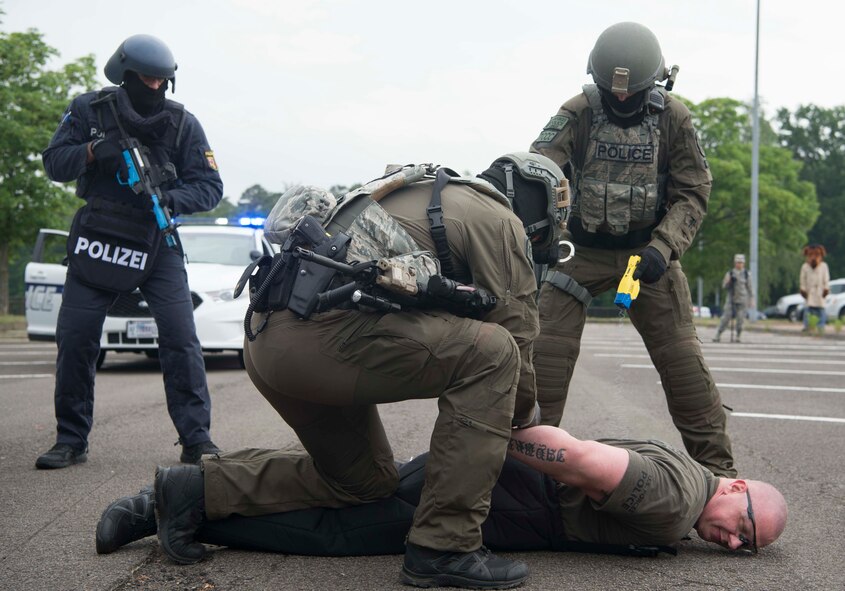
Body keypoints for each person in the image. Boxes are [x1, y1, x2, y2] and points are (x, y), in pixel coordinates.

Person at [141, 154, 569, 589]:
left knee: (365, 482)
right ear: (538, 203)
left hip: (268, 343)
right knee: (494, 354)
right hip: (320, 345)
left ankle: (195, 490)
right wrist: (523, 424)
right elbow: (516, 338)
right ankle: (445, 547)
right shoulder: (499, 219)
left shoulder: (412, 191)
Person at [528, 21, 736, 478]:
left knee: (684, 367)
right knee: (544, 359)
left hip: (648, 254)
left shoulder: (673, 118)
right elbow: (538, 172)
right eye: (611, 91)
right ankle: (523, 476)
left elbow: (693, 191)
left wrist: (665, 247)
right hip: (577, 252)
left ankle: (719, 479)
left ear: (655, 83)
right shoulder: (578, 111)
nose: (621, 99)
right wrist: (540, 236)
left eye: (632, 92)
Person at [95, 425, 788, 560]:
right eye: (740, 525)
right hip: (496, 494)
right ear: (735, 486)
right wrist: (482, 433)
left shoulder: (688, 484)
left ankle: (186, 505)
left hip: (495, 492)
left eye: (742, 547)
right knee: (338, 519)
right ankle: (177, 495)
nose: (730, 540)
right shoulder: (671, 498)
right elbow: (570, 453)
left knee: (347, 498)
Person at [36, 34, 223, 469]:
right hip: (99, 238)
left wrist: (172, 199)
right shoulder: (89, 110)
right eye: (147, 79)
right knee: (77, 339)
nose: (155, 87)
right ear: (124, 74)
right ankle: (71, 439)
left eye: (163, 80)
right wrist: (90, 151)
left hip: (157, 240)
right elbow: (53, 162)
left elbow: (210, 186)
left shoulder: (183, 124)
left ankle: (197, 439)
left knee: (180, 339)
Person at [713, 254, 753, 342]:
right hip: (731, 299)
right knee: (725, 318)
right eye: (738, 262)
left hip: (742, 299)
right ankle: (718, 334)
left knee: (740, 319)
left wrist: (751, 300)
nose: (739, 264)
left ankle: (738, 336)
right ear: (735, 263)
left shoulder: (747, 274)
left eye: (741, 262)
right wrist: (729, 282)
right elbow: (724, 286)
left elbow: (750, 288)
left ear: (744, 263)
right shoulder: (730, 273)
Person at [799, 244, 830, 333]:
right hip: (810, 293)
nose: (813, 258)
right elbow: (802, 279)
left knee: (821, 310)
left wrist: (826, 289)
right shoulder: (805, 267)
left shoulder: (824, 266)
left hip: (820, 292)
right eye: (810, 255)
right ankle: (807, 326)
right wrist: (803, 289)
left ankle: (821, 327)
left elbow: (826, 279)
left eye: (816, 255)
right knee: (808, 310)